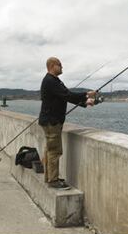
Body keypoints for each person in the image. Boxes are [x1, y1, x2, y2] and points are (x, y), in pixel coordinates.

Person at [39, 57, 96, 190]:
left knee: (49, 150)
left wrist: (85, 102)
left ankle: (50, 178)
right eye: (60, 65)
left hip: (50, 121)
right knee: (55, 150)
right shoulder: (50, 81)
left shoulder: (53, 81)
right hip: (51, 122)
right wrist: (87, 94)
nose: (62, 67)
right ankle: (53, 181)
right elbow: (67, 94)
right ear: (53, 66)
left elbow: (65, 96)